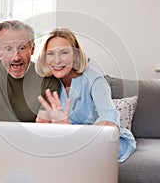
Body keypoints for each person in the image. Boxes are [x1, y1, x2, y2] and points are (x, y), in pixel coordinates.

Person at [35, 28, 136, 162]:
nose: (57, 60)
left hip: (103, 139)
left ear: (76, 55)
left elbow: (110, 125)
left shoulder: (95, 80)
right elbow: (42, 124)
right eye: (51, 54)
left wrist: (71, 132)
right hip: (68, 141)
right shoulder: (50, 82)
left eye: (64, 52)